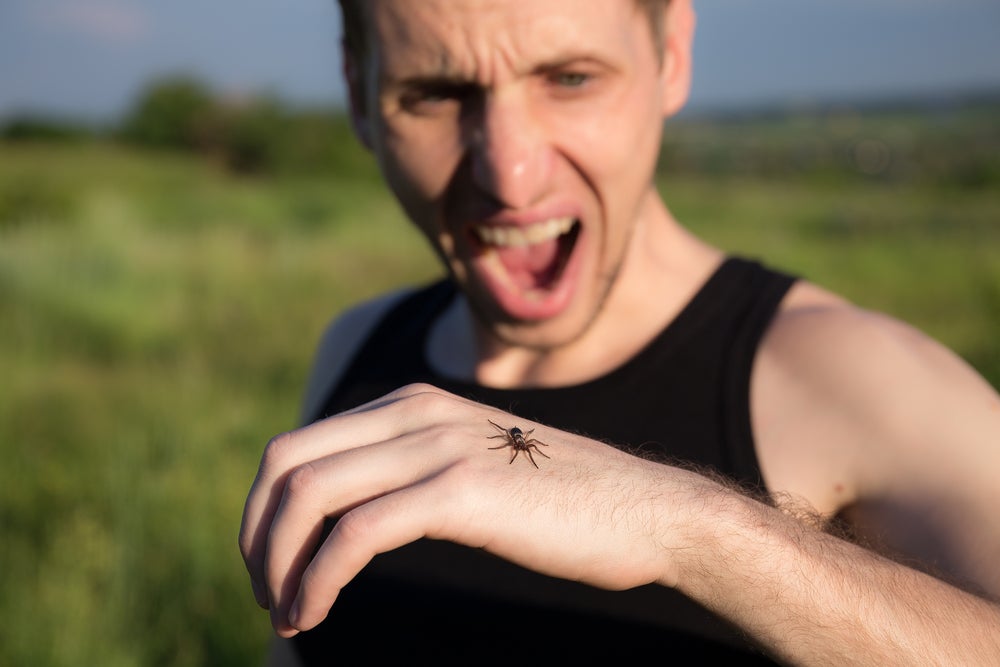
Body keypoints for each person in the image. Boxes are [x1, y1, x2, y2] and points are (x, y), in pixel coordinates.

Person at [239, 0, 1000, 664]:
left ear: (672, 54)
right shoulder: (357, 351)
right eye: (436, 94)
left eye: (571, 78)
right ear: (358, 95)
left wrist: (695, 531)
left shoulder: (868, 377)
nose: (510, 175)